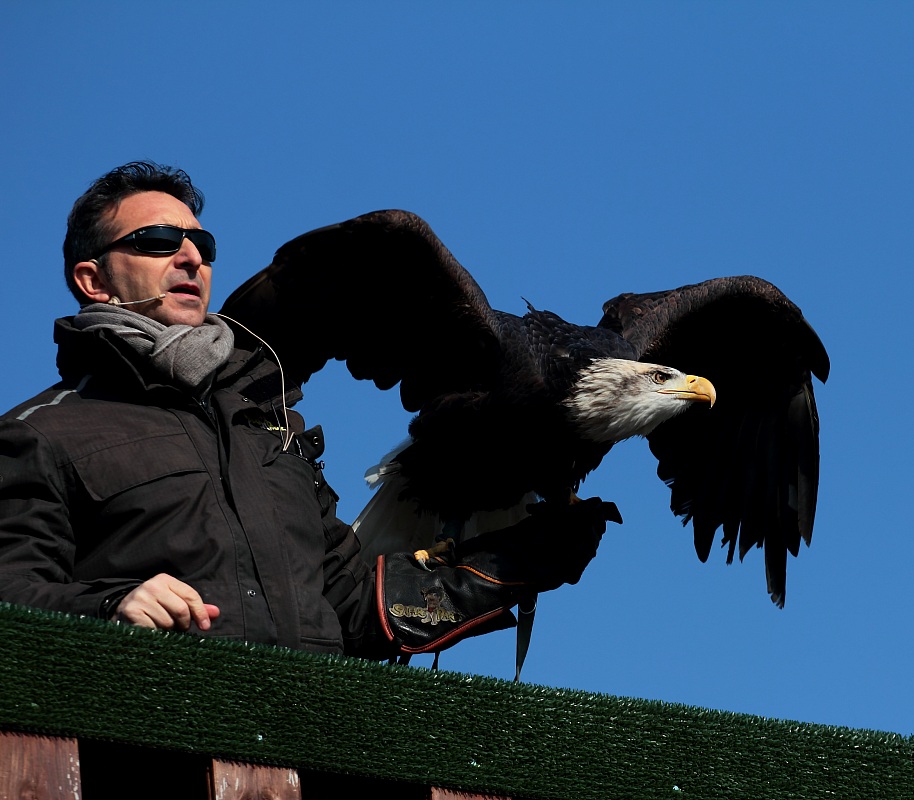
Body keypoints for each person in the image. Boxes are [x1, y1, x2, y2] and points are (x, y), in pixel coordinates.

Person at [0, 161, 613, 660]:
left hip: (302, 761)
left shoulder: (264, 431)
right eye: (158, 241)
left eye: (202, 244)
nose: (190, 258)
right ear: (92, 280)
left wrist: (519, 560)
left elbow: (355, 610)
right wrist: (110, 607)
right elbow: (10, 594)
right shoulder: (42, 436)